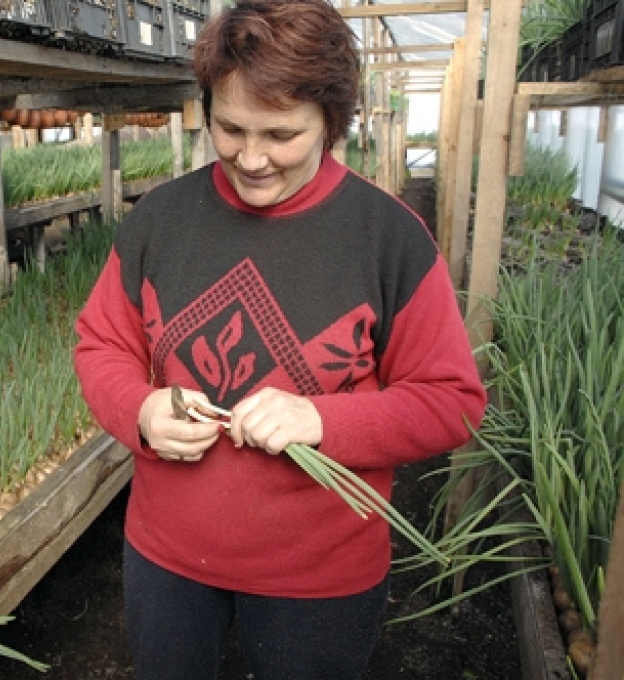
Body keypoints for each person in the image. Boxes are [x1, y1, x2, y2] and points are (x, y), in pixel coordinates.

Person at [73, 0, 487, 677]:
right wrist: (141, 410)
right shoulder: (161, 220)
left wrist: (322, 419)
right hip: (168, 559)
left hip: (321, 577)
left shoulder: (387, 237)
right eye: (230, 128)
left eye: (282, 134)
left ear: (331, 121)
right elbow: (102, 345)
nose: (252, 157)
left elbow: (452, 402)